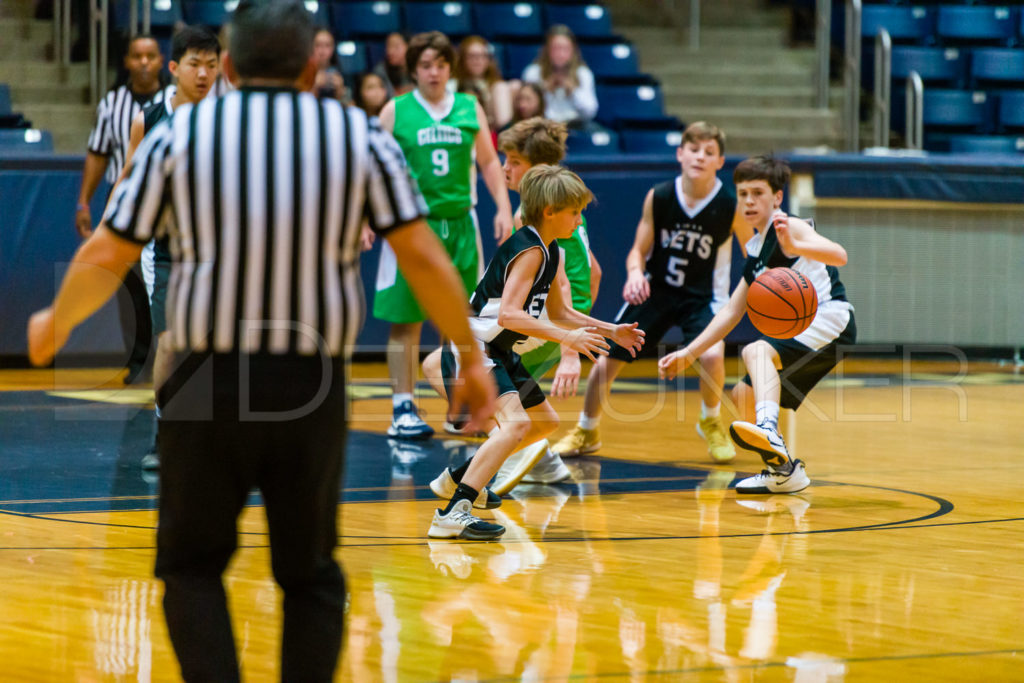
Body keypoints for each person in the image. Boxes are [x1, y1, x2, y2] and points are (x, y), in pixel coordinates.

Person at [27, 1, 495, 679]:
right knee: (309, 573)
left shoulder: (176, 136)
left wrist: (58, 320)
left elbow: (110, 245)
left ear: (231, 65)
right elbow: (421, 252)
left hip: (200, 377)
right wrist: (470, 355)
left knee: (191, 567)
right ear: (314, 62)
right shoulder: (358, 137)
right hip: (310, 381)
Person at [425, 165, 644, 540]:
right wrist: (567, 339)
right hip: (475, 346)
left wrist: (611, 330)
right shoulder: (528, 249)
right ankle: (454, 510)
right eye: (574, 212)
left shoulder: (552, 250)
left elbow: (560, 311)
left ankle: (458, 479)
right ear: (549, 212)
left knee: (544, 423)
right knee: (517, 425)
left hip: (498, 347)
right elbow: (510, 313)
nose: (579, 219)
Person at [552, 122, 751, 463]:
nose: (700, 157)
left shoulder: (730, 205)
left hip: (703, 296)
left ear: (720, 162)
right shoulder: (659, 196)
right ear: (680, 153)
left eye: (709, 152)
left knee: (713, 356)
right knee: (606, 361)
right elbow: (637, 251)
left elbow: (752, 255)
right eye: (694, 149)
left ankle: (710, 419)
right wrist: (633, 275)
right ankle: (587, 428)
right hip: (656, 290)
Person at [658, 155, 856, 494]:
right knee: (742, 393)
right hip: (805, 326)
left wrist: (798, 245)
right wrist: (689, 353)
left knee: (756, 349)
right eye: (743, 193)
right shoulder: (756, 248)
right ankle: (784, 471)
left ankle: (769, 427)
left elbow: (839, 255)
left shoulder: (788, 226)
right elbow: (731, 313)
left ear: (777, 198)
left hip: (829, 316)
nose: (749, 201)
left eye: (757, 193)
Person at [423, 116, 601, 490]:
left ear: (538, 171)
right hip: (552, 318)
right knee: (529, 415)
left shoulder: (537, 218)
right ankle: (534, 460)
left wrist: (569, 346)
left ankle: (489, 471)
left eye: (515, 162)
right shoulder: (568, 212)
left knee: (437, 368)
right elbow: (595, 273)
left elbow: (562, 289)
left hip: (539, 320)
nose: (505, 168)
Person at [375, 30, 514, 440]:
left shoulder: (470, 107)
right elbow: (373, 169)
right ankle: (402, 408)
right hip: (411, 224)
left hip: (461, 223)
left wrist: (504, 207)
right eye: (425, 65)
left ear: (450, 69)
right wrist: (369, 218)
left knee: (462, 319)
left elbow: (490, 163)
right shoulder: (395, 111)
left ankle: (460, 405)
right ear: (413, 70)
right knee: (406, 318)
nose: (433, 72)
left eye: (440, 64)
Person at [109, 24, 221, 470]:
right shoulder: (150, 118)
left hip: (218, 250)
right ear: (174, 68)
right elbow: (127, 182)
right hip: (167, 250)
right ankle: (165, 432)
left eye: (212, 65)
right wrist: (112, 233)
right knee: (172, 343)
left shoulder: (228, 121)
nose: (203, 74)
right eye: (195, 64)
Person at [75, 34, 168, 383]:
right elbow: (98, 154)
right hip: (126, 206)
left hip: (164, 209)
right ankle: (138, 360)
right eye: (137, 56)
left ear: (162, 61)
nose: (144, 62)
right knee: (129, 288)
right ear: (127, 62)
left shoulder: (175, 102)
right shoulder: (111, 104)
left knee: (162, 283)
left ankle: (169, 358)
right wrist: (85, 199)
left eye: (150, 55)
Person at [521, 25, 597, 126]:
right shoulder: (533, 72)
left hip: (575, 125)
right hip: (543, 125)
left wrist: (573, 91)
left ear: (573, 50)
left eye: (565, 49)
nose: (560, 54)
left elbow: (591, 112)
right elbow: (525, 109)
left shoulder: (583, 73)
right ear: (547, 49)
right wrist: (544, 90)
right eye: (556, 48)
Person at [454, 35, 514, 132]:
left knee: (506, 86)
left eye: (483, 56)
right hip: (460, 129)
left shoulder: (496, 86)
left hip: (492, 132)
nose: (478, 60)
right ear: (462, 59)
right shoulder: (452, 84)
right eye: (472, 56)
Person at [373, 31, 415, 97]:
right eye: (388, 46)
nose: (390, 51)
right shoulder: (381, 70)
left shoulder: (418, 68)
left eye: (395, 46)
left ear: (409, 46)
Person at [312, 26, 347, 102]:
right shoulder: (302, 72)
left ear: (333, 48)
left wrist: (340, 91)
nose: (322, 51)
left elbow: (350, 108)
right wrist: (314, 87)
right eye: (318, 45)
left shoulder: (340, 73)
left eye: (327, 45)